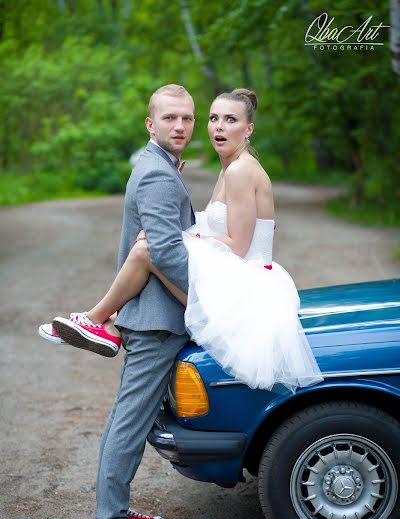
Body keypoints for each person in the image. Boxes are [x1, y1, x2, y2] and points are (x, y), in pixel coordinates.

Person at [42, 87, 322, 395]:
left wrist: (182, 236)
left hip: (243, 284)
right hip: (235, 274)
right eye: (214, 118)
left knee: (147, 250)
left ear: (248, 129)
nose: (219, 126)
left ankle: (96, 320)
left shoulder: (241, 171)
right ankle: (106, 322)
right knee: (150, 247)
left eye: (230, 120)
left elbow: (239, 246)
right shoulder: (230, 167)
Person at [51, 84, 196, 519]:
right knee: (130, 422)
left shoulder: (161, 168)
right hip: (156, 322)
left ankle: (116, 507)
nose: (180, 126)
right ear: (150, 124)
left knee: (134, 418)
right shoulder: (157, 174)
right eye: (170, 117)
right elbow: (166, 251)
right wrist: (211, 300)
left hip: (154, 318)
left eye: (187, 118)